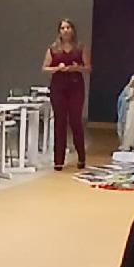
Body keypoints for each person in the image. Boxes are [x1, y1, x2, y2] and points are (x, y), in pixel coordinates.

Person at [42, 18, 89, 171]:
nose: (66, 30)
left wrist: (77, 68)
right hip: (58, 87)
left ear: (73, 30)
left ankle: (81, 157)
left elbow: (88, 67)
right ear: (59, 31)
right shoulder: (53, 49)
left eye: (68, 27)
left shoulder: (80, 47)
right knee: (60, 122)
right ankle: (58, 160)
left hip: (76, 87)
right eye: (63, 28)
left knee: (75, 121)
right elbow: (45, 68)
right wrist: (57, 68)